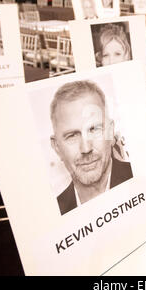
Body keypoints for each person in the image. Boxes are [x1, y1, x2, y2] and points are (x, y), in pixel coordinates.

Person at [50, 81, 133, 215]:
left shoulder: (140, 179)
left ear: (111, 132)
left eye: (94, 129)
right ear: (57, 147)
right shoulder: (55, 212)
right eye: (72, 136)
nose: (86, 148)